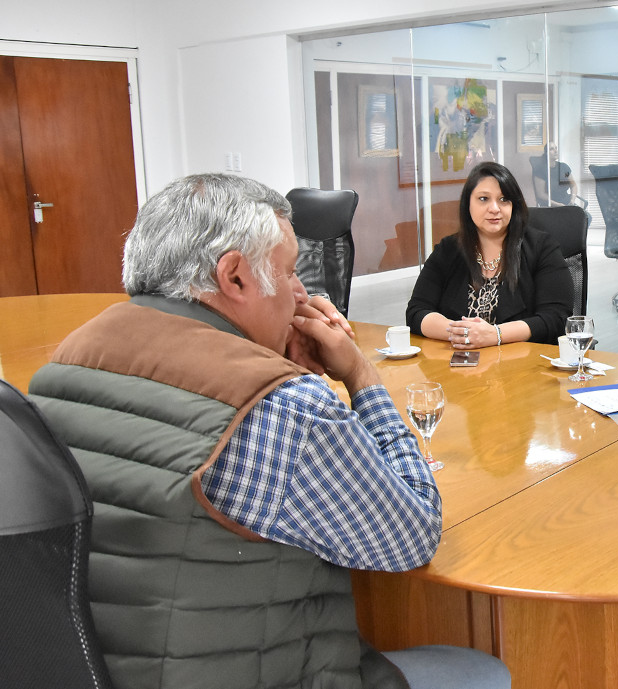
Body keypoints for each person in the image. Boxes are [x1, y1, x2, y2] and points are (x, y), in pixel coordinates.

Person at [28, 174, 510, 689]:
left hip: (104, 667)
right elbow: (412, 535)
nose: (302, 291)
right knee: (482, 672)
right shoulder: (285, 410)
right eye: (289, 271)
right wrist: (360, 376)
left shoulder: (62, 366)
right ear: (234, 277)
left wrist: (271, 361)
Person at [406, 161, 572, 349]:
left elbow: (556, 317)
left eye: (504, 199)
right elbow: (417, 311)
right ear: (467, 204)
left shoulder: (542, 248)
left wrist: (495, 335)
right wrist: (463, 333)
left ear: (513, 206)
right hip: (459, 365)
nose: (494, 208)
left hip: (521, 365)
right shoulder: (448, 250)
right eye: (483, 199)